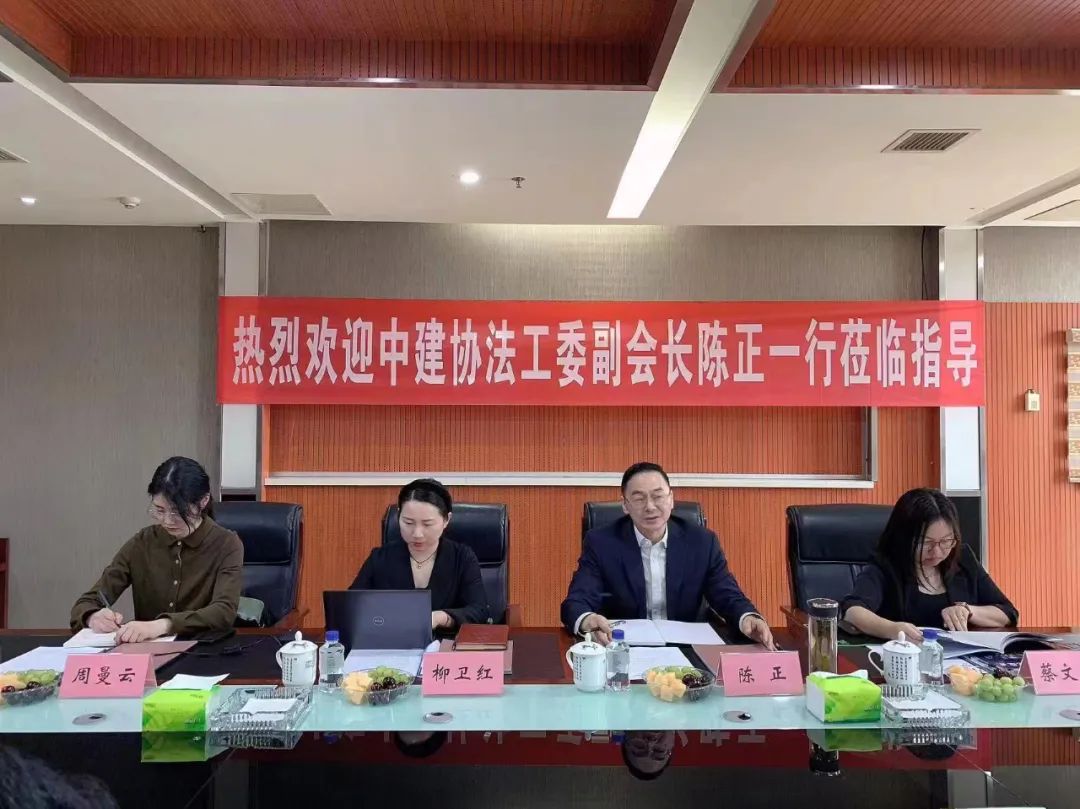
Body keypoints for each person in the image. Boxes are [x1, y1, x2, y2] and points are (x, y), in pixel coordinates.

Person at [561, 462, 774, 649]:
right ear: (625, 505)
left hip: (688, 650)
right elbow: (577, 601)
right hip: (624, 649)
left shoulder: (702, 542)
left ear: (671, 499)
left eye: (658, 496)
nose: (650, 506)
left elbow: (727, 594)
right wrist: (588, 620)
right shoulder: (602, 543)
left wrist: (747, 617)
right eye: (639, 499)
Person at [70, 457, 244, 642]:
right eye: (160, 510)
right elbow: (88, 601)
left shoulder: (226, 544)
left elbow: (224, 611)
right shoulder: (142, 542)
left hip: (205, 649)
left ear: (203, 501)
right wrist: (92, 616)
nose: (167, 521)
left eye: (177, 512)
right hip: (147, 652)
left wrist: (162, 625)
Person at [841, 487, 1018, 642]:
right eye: (926, 543)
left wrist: (967, 611)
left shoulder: (963, 559)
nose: (937, 552)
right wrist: (892, 629)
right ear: (903, 538)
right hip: (903, 661)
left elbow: (1007, 613)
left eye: (946, 541)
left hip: (960, 665)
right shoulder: (886, 564)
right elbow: (853, 611)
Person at [350, 479, 489, 631]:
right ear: (398, 516)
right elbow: (351, 605)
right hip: (392, 640)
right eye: (408, 523)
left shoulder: (462, 558)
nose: (417, 534)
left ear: (446, 520)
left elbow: (480, 611)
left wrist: (441, 617)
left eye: (427, 524)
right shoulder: (380, 558)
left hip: (446, 642)